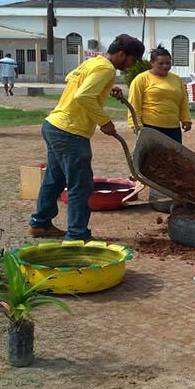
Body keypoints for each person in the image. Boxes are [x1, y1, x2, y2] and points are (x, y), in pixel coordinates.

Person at [29, 34, 145, 240]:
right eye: (132, 60)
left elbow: (72, 80)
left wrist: (105, 88)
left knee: (54, 179)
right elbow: (82, 96)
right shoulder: (106, 68)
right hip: (70, 132)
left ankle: (41, 223)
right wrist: (104, 121)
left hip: (54, 125)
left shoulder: (93, 62)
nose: (132, 65)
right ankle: (77, 234)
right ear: (121, 54)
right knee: (80, 185)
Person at [126, 44, 192, 143]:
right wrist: (136, 126)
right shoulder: (141, 79)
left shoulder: (176, 79)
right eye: (160, 63)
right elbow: (134, 104)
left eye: (168, 63)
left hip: (173, 128)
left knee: (172, 157)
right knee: (152, 158)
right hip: (150, 128)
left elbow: (183, 101)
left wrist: (186, 119)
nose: (165, 66)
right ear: (152, 63)